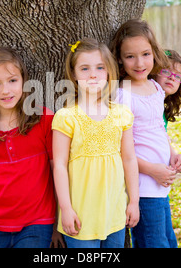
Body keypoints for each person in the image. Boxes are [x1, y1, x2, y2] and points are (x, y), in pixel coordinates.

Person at [0, 47, 59, 248]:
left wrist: (57, 224)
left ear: (24, 80)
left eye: (12, 80)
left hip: (36, 224)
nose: (6, 90)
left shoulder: (43, 119)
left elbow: (57, 172)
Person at [110, 19, 181, 248]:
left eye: (145, 54)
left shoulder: (155, 88)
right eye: (130, 56)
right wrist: (152, 170)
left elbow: (158, 130)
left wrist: (173, 155)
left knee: (168, 242)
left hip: (161, 185)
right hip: (142, 186)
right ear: (119, 58)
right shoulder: (122, 95)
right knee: (154, 244)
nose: (139, 63)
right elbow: (117, 147)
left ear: (154, 53)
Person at [52, 38, 139, 248]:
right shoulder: (66, 117)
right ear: (73, 74)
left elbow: (128, 159)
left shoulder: (121, 114)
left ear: (109, 71)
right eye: (84, 68)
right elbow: (60, 166)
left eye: (100, 67)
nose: (93, 74)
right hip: (80, 215)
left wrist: (134, 202)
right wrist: (65, 209)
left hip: (114, 212)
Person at [153, 49, 181, 132]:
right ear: (154, 72)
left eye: (177, 76)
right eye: (166, 72)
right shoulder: (148, 104)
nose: (172, 78)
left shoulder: (161, 108)